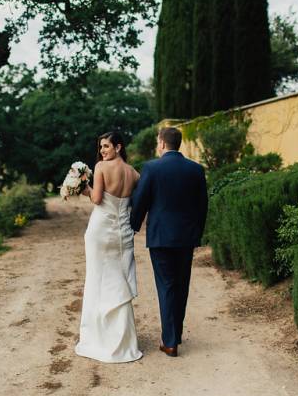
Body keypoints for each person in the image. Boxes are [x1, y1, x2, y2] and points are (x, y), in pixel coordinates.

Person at [129, 126, 207, 357]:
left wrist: (132, 226)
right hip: (186, 237)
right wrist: (197, 232)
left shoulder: (151, 168)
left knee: (166, 286)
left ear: (162, 143)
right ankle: (176, 334)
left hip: (161, 237)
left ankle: (170, 341)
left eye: (157, 142)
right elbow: (202, 205)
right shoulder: (195, 169)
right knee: (181, 285)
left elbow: (140, 201)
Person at [75, 131, 143, 363]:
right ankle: (124, 341)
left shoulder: (102, 168)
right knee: (118, 280)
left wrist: (81, 188)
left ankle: (99, 338)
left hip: (101, 231)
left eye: (106, 146)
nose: (102, 150)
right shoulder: (134, 173)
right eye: (101, 147)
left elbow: (96, 199)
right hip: (123, 234)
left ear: (118, 146)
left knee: (96, 280)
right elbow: (136, 200)